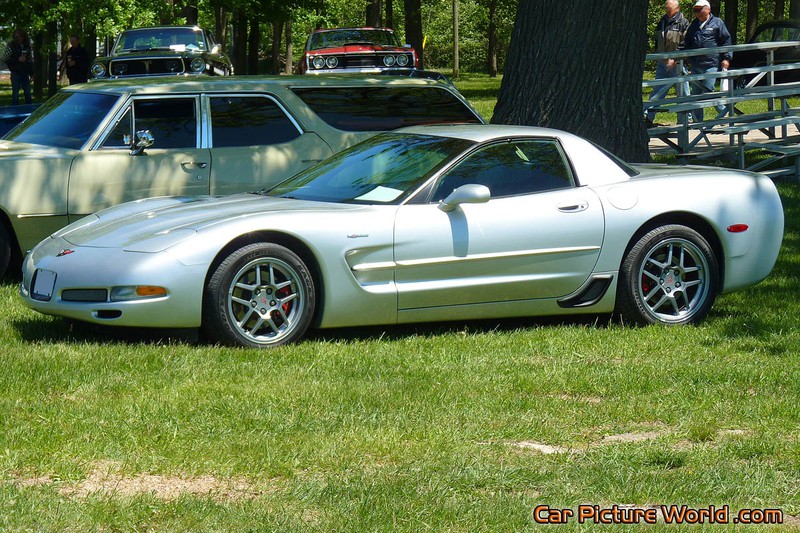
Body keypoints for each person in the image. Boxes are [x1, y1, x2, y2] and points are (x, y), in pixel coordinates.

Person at [684, 0, 732, 122]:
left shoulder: (717, 23)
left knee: (709, 90)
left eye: (700, 9)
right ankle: (697, 120)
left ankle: (723, 114)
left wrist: (726, 58)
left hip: (711, 63)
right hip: (696, 64)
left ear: (708, 9)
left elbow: (726, 40)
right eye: (695, 10)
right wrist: (687, 58)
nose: (697, 12)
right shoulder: (693, 25)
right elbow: (687, 43)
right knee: (696, 93)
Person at [645, 0, 690, 126]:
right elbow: (657, 41)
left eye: (669, 8)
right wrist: (660, 58)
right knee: (657, 91)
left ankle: (686, 119)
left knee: (683, 92)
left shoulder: (684, 23)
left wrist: (675, 59)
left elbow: (685, 44)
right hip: (662, 63)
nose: (666, 10)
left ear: (677, 8)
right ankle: (648, 117)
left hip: (678, 64)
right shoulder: (662, 21)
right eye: (666, 8)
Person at [6, 29, 34, 105]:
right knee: (15, 93)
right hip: (15, 72)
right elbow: (6, 59)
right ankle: (14, 109)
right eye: (17, 37)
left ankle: (29, 109)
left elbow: (30, 60)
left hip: (25, 72)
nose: (19, 39)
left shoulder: (27, 46)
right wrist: (17, 59)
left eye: (21, 37)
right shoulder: (11, 46)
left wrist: (31, 73)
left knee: (28, 93)